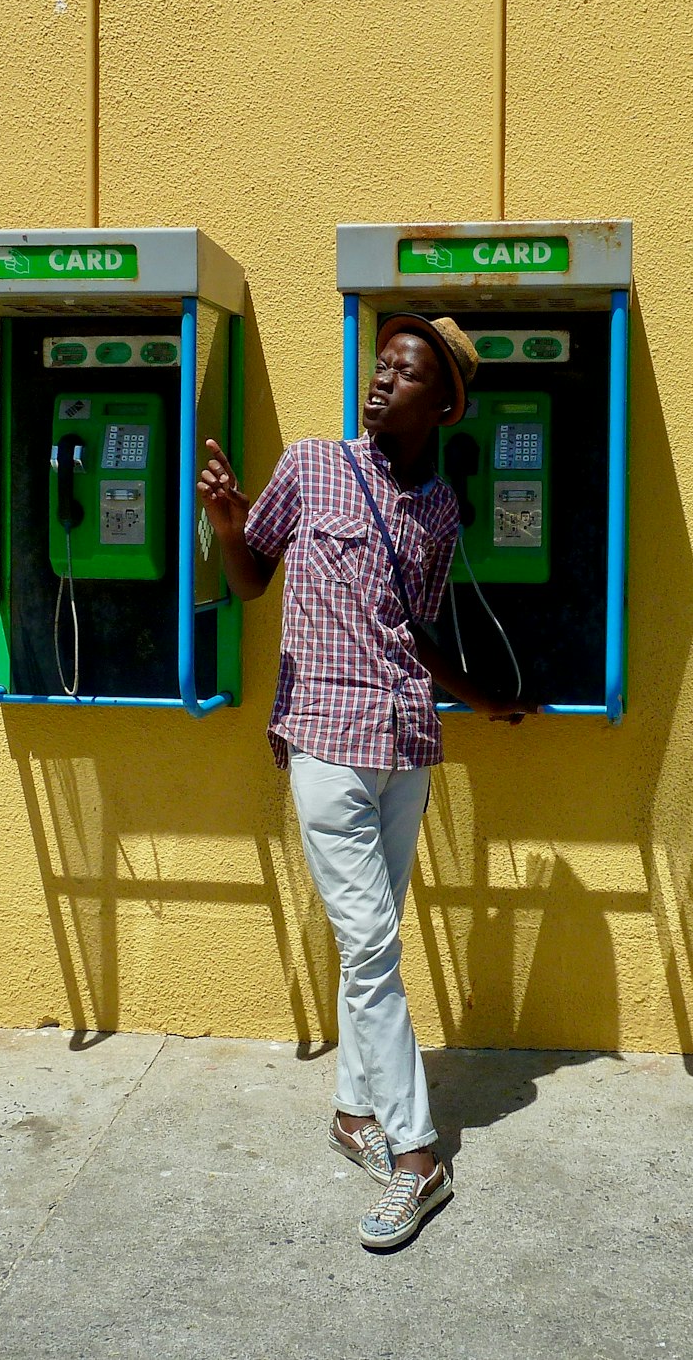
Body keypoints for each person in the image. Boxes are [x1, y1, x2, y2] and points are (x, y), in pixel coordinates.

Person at [197, 312, 531, 1250]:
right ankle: (418, 1157)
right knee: (377, 943)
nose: (382, 381)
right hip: (325, 739)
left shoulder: (441, 509)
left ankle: (354, 1111)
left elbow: (419, 636)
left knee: (366, 943)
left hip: (408, 744)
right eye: (380, 365)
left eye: (405, 373)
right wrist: (229, 526)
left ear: (445, 405)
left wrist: (490, 701)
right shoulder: (308, 465)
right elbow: (253, 579)